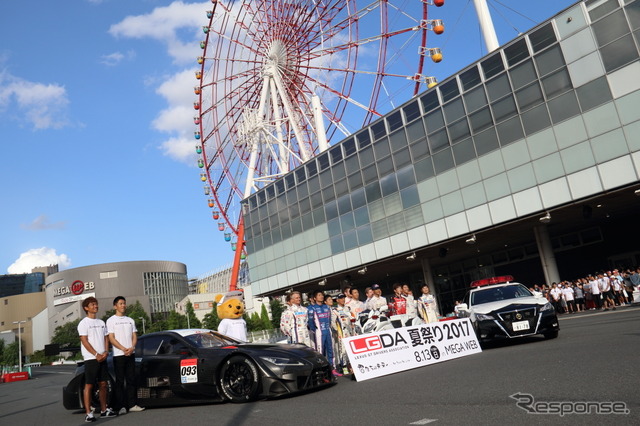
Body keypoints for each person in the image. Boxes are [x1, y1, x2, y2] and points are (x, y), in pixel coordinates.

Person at [77, 297, 117, 422]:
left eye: (96, 304)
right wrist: (95, 354)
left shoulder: (101, 322)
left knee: (103, 384)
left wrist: (105, 352)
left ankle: (104, 410)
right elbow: (84, 340)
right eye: (93, 304)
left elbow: (106, 338)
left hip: (103, 357)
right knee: (89, 385)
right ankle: (88, 413)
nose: (96, 306)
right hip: (91, 359)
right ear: (86, 308)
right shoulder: (83, 323)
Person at [107, 296, 145, 415]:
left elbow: (134, 336)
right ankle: (121, 406)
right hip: (119, 355)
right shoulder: (111, 320)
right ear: (115, 306)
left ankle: (132, 404)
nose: (123, 305)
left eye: (124, 303)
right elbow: (111, 338)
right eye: (120, 303)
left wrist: (132, 348)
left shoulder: (130, 320)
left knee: (131, 380)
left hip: (131, 353)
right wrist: (123, 349)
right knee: (119, 381)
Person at [307, 290, 340, 376]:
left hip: (328, 331)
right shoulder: (311, 308)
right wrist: (315, 331)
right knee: (320, 352)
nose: (321, 296)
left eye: (322, 295)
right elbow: (310, 322)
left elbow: (329, 320)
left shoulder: (327, 307)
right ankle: (322, 371)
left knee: (331, 349)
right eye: (319, 295)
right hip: (319, 333)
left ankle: (333, 368)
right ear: (314, 298)